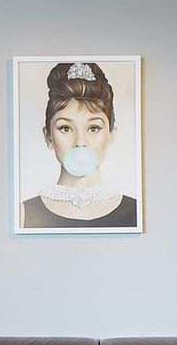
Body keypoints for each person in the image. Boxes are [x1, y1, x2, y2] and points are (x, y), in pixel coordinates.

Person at [19, 61, 139, 230]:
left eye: (93, 128)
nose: (80, 142)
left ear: (111, 135)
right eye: (66, 128)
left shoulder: (137, 211)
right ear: (48, 136)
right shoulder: (23, 213)